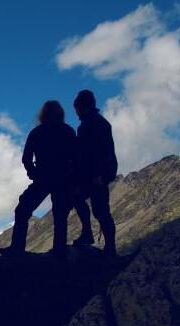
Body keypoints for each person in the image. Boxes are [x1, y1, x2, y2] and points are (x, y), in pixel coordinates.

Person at [0, 100, 77, 258]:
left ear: (43, 115)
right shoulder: (68, 131)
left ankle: (17, 248)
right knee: (60, 214)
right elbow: (76, 157)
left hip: (43, 178)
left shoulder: (37, 132)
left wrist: (33, 173)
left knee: (23, 210)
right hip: (63, 178)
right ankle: (59, 249)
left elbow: (26, 158)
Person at [70, 89, 118, 256]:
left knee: (100, 210)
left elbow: (96, 153)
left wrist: (100, 175)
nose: (75, 113)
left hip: (94, 176)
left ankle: (108, 248)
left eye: (76, 109)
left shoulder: (93, 125)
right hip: (93, 175)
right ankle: (97, 240)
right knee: (98, 208)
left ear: (82, 107)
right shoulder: (96, 123)